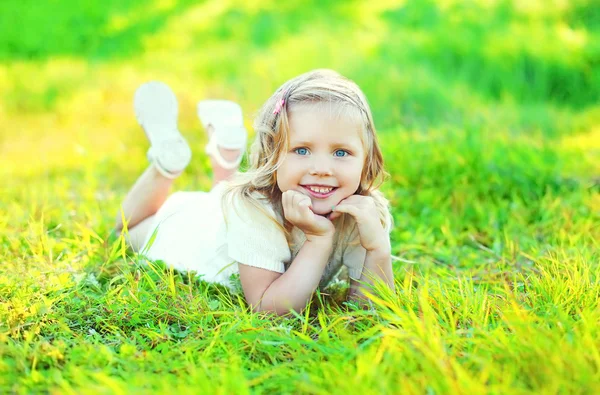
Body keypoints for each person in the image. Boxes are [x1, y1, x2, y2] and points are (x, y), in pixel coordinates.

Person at [115, 69, 394, 315]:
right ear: (272, 153)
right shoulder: (255, 210)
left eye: (341, 152)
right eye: (302, 150)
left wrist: (378, 248)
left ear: (366, 159)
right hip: (194, 232)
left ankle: (225, 158)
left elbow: (367, 311)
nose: (322, 168)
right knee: (126, 232)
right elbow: (268, 309)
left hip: (226, 214)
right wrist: (318, 240)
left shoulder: (363, 212)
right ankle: (166, 166)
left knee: (225, 195)